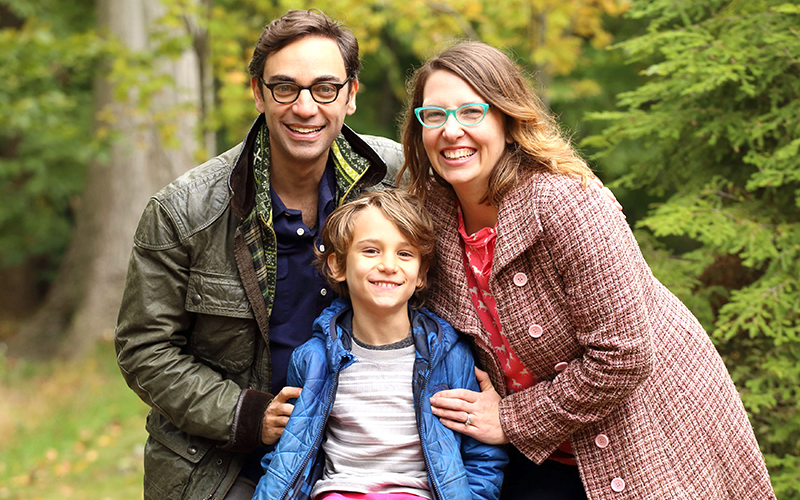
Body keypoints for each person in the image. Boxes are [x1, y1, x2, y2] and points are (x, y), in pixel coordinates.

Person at [399, 41, 775, 500]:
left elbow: (624, 356)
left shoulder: (567, 202)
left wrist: (512, 419)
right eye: (434, 116)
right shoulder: (428, 218)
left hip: (641, 435)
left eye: (471, 112)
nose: (451, 131)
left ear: (506, 119)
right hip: (530, 451)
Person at [114, 9, 403, 500]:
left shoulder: (394, 179)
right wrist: (247, 415)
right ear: (258, 93)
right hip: (225, 465)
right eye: (285, 88)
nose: (305, 107)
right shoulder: (184, 211)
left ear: (351, 95)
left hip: (370, 452)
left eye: (325, 88)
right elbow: (145, 348)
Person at [252, 189, 507, 500]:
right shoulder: (313, 358)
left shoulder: (450, 357)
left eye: (404, 254)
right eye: (371, 251)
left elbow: (482, 457)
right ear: (337, 266)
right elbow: (288, 454)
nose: (388, 265)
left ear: (422, 273)